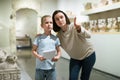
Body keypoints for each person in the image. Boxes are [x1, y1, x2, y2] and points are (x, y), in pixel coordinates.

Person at [52, 10, 96, 80]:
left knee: (84, 78)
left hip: (88, 55)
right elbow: (54, 47)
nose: (60, 20)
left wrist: (79, 29)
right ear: (55, 22)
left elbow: (89, 35)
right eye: (57, 19)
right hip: (75, 58)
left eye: (61, 17)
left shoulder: (74, 26)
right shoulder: (59, 36)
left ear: (65, 17)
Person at [32, 15, 61, 80]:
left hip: (51, 68)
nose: (49, 24)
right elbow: (33, 50)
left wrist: (57, 57)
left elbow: (59, 51)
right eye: (46, 22)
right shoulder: (38, 38)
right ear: (42, 25)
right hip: (40, 68)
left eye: (51, 22)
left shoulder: (55, 39)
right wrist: (39, 56)